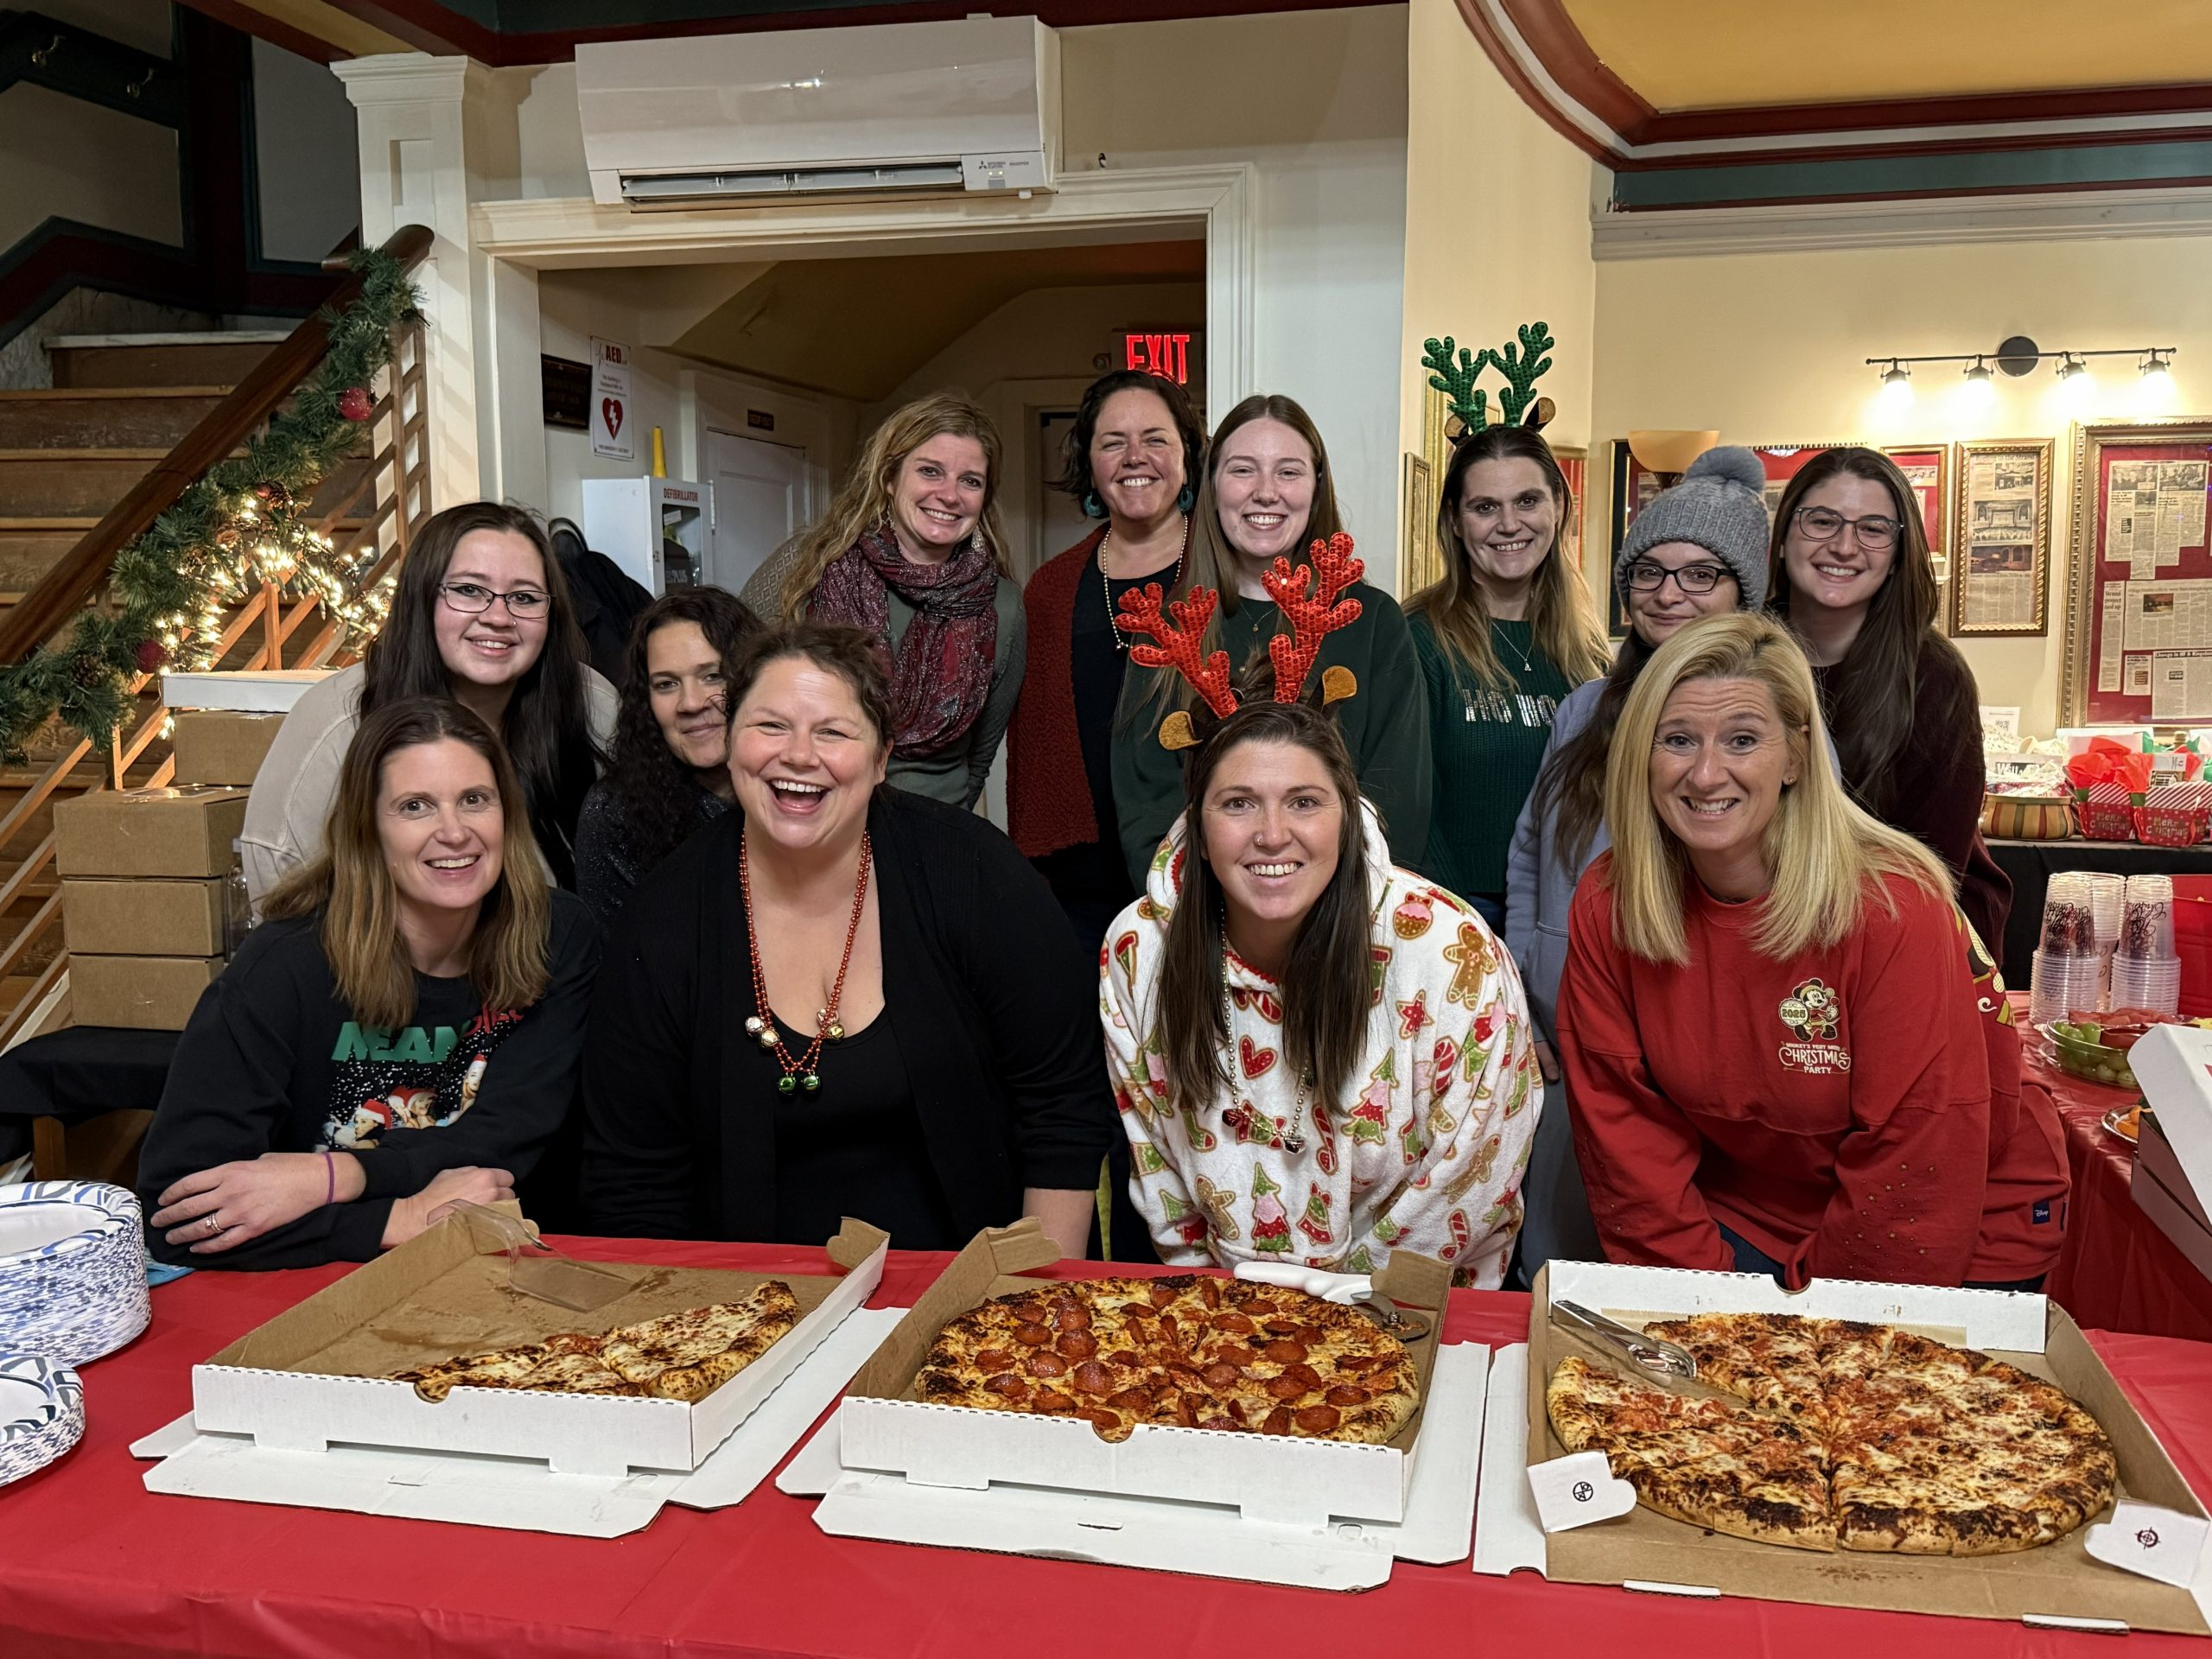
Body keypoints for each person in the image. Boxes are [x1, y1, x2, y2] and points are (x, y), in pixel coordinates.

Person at [1554, 613, 2067, 1291]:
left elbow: (1919, 1156)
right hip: (1753, 1208)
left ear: (1797, 755)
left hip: (1958, 1214)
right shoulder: (1611, 901)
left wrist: (1811, 1331)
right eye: (1677, 740)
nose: (1706, 774)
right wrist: (1702, 1304)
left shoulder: (1891, 905)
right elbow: (1624, 1134)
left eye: (1742, 740)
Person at [578, 622, 1114, 1257]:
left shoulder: (972, 872)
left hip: (974, 1296)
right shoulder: (664, 919)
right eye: (771, 726)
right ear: (730, 744)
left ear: (882, 757)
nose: (799, 755)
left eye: (832, 732)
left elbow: (1062, 1110)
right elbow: (634, 1180)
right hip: (743, 1314)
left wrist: (1031, 1312)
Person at [1101, 553, 1540, 1284]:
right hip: (1225, 1316)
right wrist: (1218, 1305)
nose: (1273, 834)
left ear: (1346, 815)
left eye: (1304, 802)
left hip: (1411, 1310)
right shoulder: (1137, 953)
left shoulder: (1448, 952)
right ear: (1199, 827)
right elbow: (1159, 1175)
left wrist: (1332, 1312)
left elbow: (1473, 1172)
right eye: (1238, 803)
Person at [139, 697, 601, 1269]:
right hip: (316, 1293)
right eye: (415, 807)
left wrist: (336, 1174)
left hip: (508, 1268)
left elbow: (508, 1134)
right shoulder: (283, 969)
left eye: (475, 800)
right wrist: (396, 1220)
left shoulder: (559, 935)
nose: (454, 832)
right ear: (368, 830)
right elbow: (173, 1215)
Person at [1503, 446, 1771, 1278]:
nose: (1669, 594)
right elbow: (1526, 854)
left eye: (1701, 576)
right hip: (1557, 1038)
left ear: (1744, 594)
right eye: (1649, 572)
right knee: (1558, 1258)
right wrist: (1517, 996)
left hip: (1684, 1050)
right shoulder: (1584, 708)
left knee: (1662, 1258)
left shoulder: (1776, 715)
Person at [1111, 393, 1429, 887]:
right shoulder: (1167, 628)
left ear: (1316, 488)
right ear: (1212, 487)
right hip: (1199, 918)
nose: (1265, 492)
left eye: (1288, 471)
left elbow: (1397, 802)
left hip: (1342, 920)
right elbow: (1144, 805)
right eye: (1242, 471)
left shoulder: (1373, 623)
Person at [242, 502, 616, 906]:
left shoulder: (591, 704)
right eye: (469, 590)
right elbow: (279, 888)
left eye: (524, 598)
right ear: (421, 596)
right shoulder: (338, 726)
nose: (498, 617)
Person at [1768, 447, 2012, 965]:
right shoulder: (1743, 651)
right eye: (1822, 521)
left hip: (1910, 931)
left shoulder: (1934, 678)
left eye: (1873, 529)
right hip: (1771, 924)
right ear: (1785, 534)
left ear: (1899, 552)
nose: (1843, 546)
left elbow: (1932, 866)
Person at [741, 393, 1024, 811]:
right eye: (930, 471)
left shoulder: (1002, 604)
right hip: (806, 814)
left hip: (932, 826)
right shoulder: (808, 566)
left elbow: (981, 755)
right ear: (889, 479)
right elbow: (742, 688)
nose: (949, 495)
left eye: (970, 480)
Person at [1009, 369, 1207, 950]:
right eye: (1113, 442)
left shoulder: (1226, 569)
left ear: (1188, 455)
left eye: (1156, 438)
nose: (1134, 457)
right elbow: (1029, 750)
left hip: (1203, 873)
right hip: (1080, 893)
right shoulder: (1049, 589)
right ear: (1089, 463)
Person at [1408, 424, 1610, 931]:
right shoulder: (1419, 639)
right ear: (1454, 520)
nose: (1509, 524)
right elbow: (1408, 805)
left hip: (1572, 910)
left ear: (1558, 507)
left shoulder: (1586, 651)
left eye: (1527, 501)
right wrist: (1460, 923)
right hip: (1461, 912)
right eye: (1484, 507)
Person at [574, 587, 763, 926]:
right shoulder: (614, 813)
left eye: (713, 676)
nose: (691, 703)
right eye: (666, 684)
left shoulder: (800, 789)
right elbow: (617, 964)